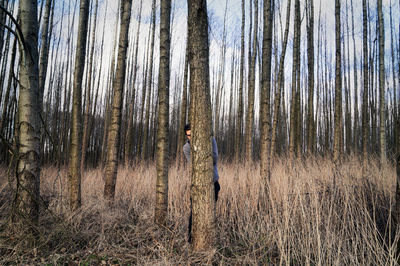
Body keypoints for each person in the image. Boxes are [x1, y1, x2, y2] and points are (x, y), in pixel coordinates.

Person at [183, 123, 220, 243]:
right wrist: (202, 157)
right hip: (197, 184)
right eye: (188, 135)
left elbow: (214, 158)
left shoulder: (210, 139)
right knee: (194, 211)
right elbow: (193, 166)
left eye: (192, 134)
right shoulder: (186, 148)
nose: (191, 137)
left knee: (209, 212)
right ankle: (190, 240)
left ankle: (209, 240)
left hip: (213, 182)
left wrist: (202, 151)